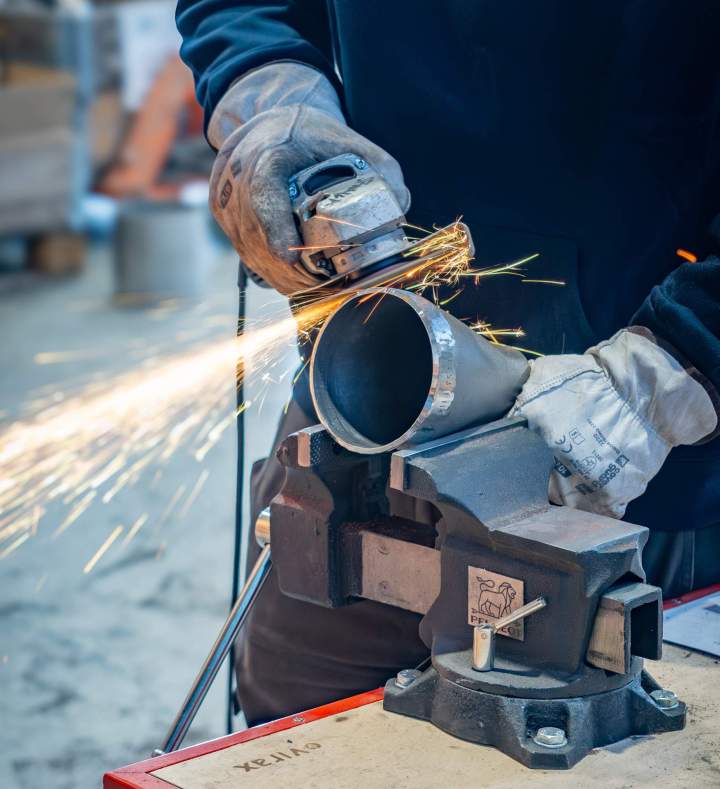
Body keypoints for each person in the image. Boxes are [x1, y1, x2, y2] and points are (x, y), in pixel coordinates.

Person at [176, 1, 720, 724]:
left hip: (616, 462)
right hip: (365, 398)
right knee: (288, 726)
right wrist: (271, 95)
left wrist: (677, 359)